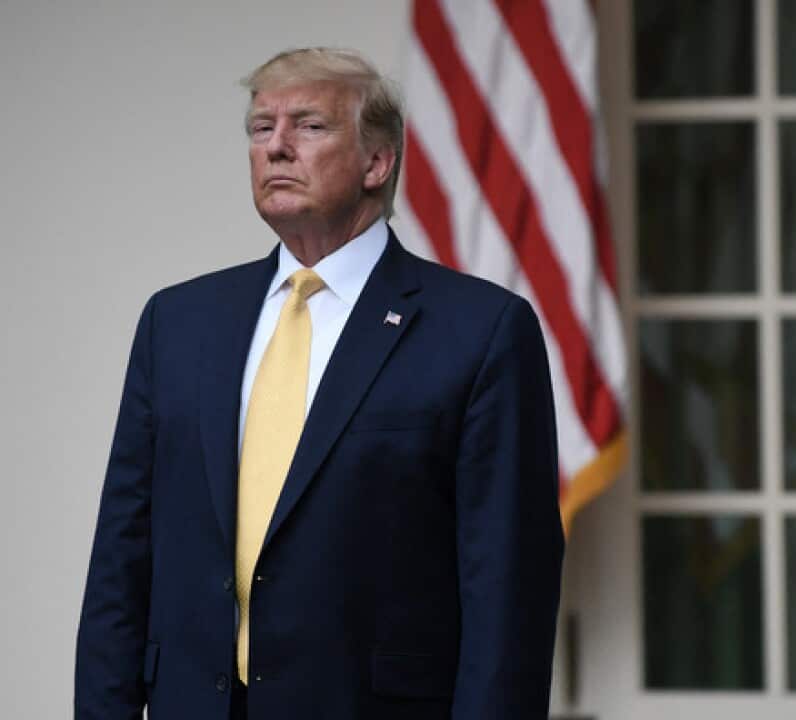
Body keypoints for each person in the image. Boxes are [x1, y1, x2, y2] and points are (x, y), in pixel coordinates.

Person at [74, 47, 564, 720]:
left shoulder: (479, 331)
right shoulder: (178, 322)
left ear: (377, 162)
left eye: (308, 126)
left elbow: (508, 587)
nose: (276, 147)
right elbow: (121, 560)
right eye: (260, 127)